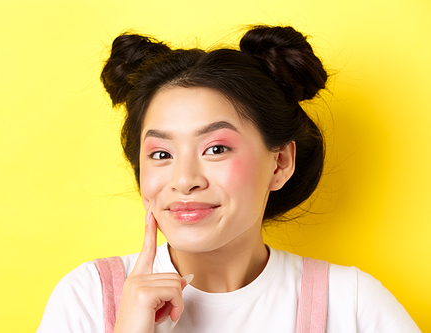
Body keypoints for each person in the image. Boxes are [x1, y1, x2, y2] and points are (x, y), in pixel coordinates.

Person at [36, 25, 421, 332]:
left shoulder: (350, 303)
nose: (184, 179)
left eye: (216, 149)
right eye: (161, 154)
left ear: (281, 162)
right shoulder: (89, 295)